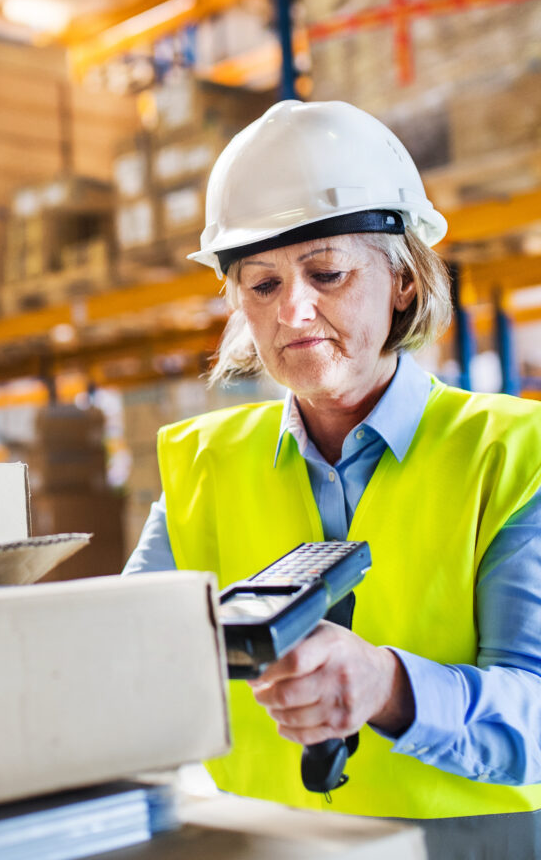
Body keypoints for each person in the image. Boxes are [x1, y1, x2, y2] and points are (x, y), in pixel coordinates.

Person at [123, 99, 541, 859]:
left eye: (327, 272)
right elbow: (122, 665)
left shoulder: (515, 454)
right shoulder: (204, 465)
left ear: (403, 281)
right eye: (260, 285)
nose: (294, 309)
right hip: (273, 848)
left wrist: (387, 687)